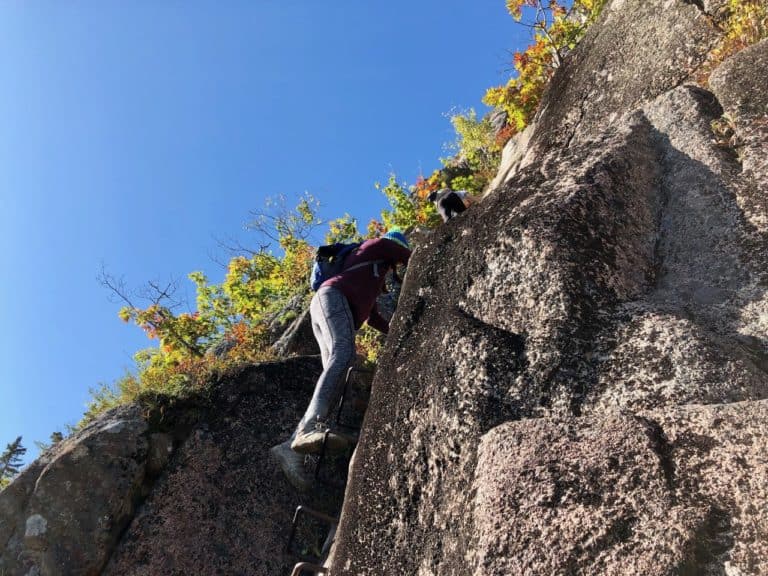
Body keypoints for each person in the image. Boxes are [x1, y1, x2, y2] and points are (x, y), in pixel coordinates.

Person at [271, 229, 411, 490]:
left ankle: (291, 446)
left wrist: (396, 331)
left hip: (326, 304)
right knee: (344, 354)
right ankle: (309, 427)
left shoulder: (369, 276)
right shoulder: (378, 246)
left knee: (338, 373)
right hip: (331, 298)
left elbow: (372, 316)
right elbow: (411, 255)